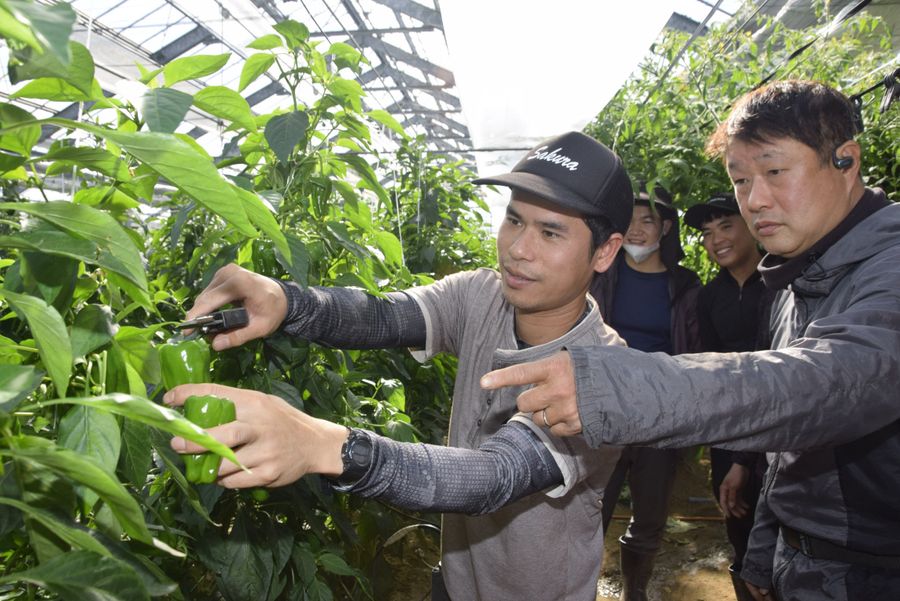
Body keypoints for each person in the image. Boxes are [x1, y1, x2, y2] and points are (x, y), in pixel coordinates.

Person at [167, 131, 633, 601]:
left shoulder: (608, 377)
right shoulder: (481, 297)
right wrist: (287, 301)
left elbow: (495, 476)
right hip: (455, 583)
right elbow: (382, 316)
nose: (518, 248)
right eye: (514, 221)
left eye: (550, 232)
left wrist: (326, 445)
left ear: (605, 251)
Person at [482, 80, 900, 601]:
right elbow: (798, 439)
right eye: (741, 180)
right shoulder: (800, 282)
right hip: (811, 564)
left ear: (846, 160)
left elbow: (825, 385)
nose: (755, 201)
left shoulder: (889, 268)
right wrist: (768, 549)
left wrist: (611, 387)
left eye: (774, 172)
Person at [589, 186, 701, 601]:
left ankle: (635, 590)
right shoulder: (602, 274)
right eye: (630, 221)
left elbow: (693, 349)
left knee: (650, 511)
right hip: (606, 409)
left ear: (665, 227)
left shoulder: (684, 287)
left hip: (660, 412)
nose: (637, 230)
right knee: (591, 507)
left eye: (648, 221)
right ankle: (579, 586)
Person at [684, 193, 773, 601]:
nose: (715, 239)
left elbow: (784, 378)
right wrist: (728, 452)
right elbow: (714, 368)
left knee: (779, 539)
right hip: (730, 431)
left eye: (725, 225)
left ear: (752, 225)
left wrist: (745, 458)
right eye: (706, 232)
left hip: (780, 430)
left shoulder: (782, 284)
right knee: (739, 529)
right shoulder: (710, 296)